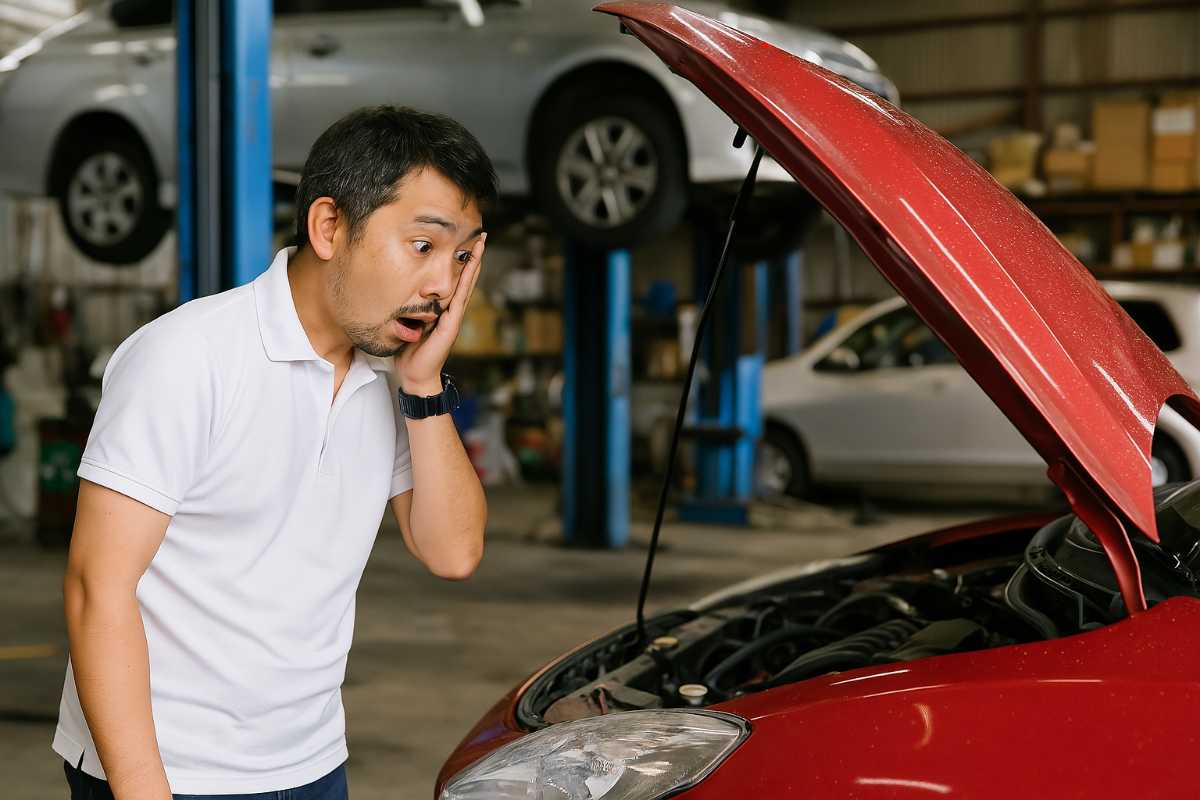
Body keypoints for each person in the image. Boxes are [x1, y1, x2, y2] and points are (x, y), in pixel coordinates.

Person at [55, 105, 495, 800]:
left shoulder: (391, 378)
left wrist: (422, 384)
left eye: (463, 256)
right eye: (423, 247)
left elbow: (453, 552)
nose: (443, 286)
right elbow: (95, 589)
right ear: (329, 227)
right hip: (165, 766)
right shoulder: (187, 358)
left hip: (310, 761)